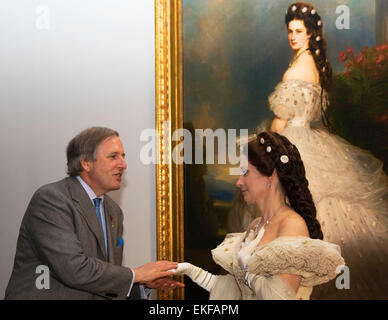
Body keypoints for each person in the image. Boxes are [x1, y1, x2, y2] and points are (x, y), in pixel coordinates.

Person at [231, 2, 388, 299]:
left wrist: (262, 149)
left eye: (299, 31)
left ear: (311, 33)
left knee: (290, 209)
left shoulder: (297, 70)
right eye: (290, 31)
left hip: (294, 140)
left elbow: (281, 121)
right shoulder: (312, 63)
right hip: (309, 138)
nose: (293, 36)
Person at [5, 127, 183, 300]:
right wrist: (136, 274)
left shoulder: (113, 211)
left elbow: (101, 281)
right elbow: (74, 269)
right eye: (113, 156)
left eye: (123, 156)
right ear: (86, 163)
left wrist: (141, 285)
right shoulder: (52, 200)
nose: (123, 164)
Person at [174, 132, 345, 300]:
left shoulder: (292, 225)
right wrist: (189, 270)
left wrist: (247, 269)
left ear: (271, 176)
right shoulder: (256, 225)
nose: (239, 182)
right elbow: (234, 291)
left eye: (245, 172)